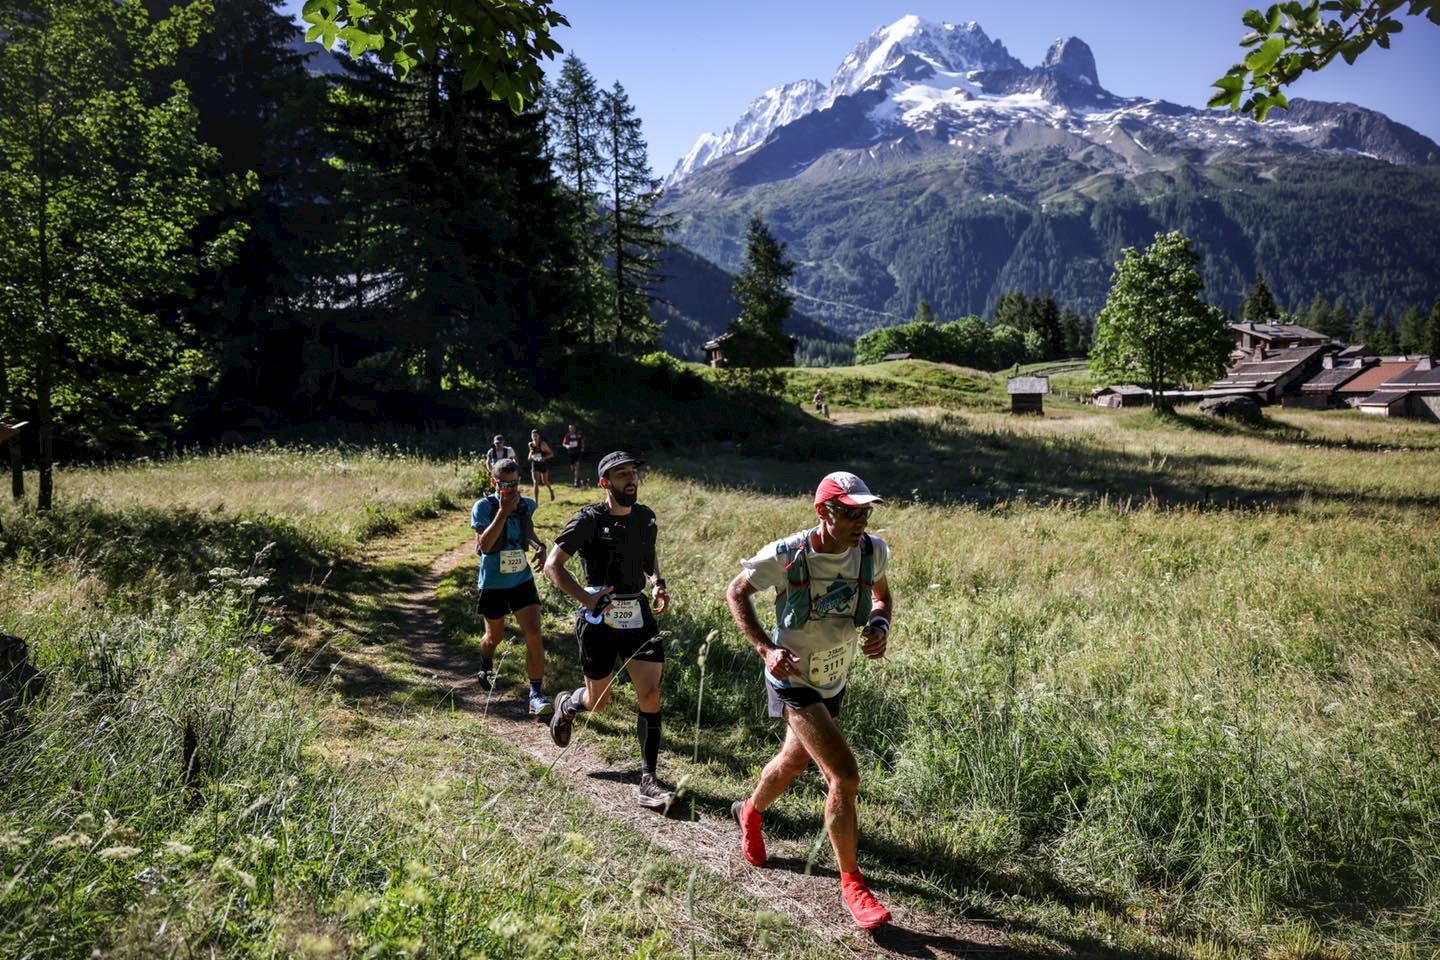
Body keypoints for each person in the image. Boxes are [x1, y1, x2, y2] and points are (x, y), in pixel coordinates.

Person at [724, 470, 895, 929]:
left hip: (834, 678)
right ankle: (852, 885)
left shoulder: (871, 551)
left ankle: (750, 813)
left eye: (865, 512)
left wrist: (880, 626)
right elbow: (736, 591)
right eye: (850, 512)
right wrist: (766, 648)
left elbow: (881, 597)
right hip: (792, 679)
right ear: (824, 512)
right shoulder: (786, 554)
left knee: (793, 763)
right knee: (845, 776)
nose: (860, 520)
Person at [543, 451, 676, 808]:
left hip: (638, 614)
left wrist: (658, 582)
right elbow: (553, 566)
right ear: (605, 483)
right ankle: (570, 704)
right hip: (598, 620)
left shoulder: (645, 518)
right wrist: (587, 602)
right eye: (620, 475)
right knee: (597, 703)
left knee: (649, 694)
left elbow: (649, 556)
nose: (630, 479)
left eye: (632, 472)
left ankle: (648, 778)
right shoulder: (588, 520)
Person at [470, 458, 552, 716]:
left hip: (521, 581)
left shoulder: (526, 505)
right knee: (495, 637)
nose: (511, 488)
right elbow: (484, 545)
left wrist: (540, 548)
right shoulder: (483, 507)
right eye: (505, 484)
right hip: (493, 583)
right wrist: (503, 512)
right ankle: (485, 661)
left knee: (534, 635)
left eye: (515, 483)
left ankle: (535, 695)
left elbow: (528, 535)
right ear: (494, 482)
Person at [527, 429, 556, 502]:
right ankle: (536, 501)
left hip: (543, 464)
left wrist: (544, 458)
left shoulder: (543, 444)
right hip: (535, 464)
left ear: (539, 436)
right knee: (535, 482)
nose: (534, 437)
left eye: (536, 436)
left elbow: (551, 454)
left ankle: (551, 491)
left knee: (545, 481)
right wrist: (532, 457)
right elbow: (529, 457)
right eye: (533, 436)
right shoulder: (530, 444)